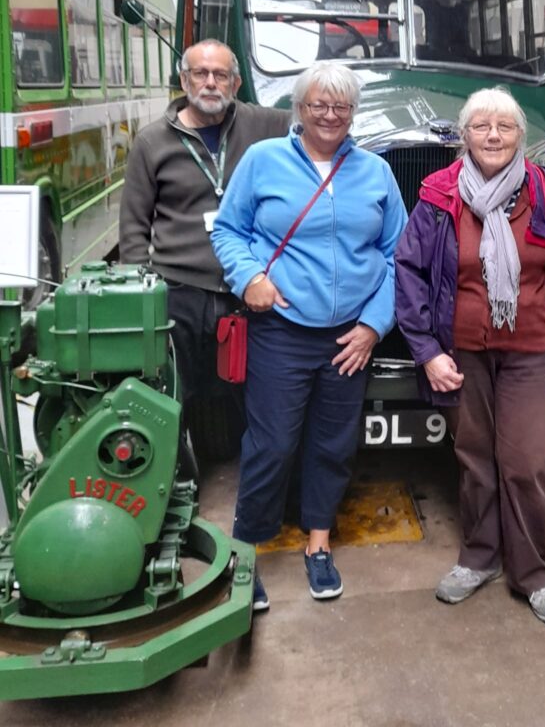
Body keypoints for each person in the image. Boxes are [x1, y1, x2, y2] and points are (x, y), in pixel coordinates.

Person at [395, 87, 545, 625]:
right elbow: (410, 271)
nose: (493, 136)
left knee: (529, 461)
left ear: (520, 135)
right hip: (463, 353)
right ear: (464, 135)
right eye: (482, 126)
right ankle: (479, 557)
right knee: (474, 459)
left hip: (534, 349)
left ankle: (532, 573)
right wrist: (426, 351)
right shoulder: (439, 193)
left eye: (505, 127)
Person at [211, 60, 407, 610]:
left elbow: (399, 255)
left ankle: (318, 543)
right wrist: (250, 278)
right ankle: (246, 551)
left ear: (353, 113)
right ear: (299, 108)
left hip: (350, 339)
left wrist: (373, 326)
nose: (330, 114)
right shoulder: (263, 160)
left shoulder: (375, 172)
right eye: (319, 104)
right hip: (282, 331)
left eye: (341, 106)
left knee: (333, 444)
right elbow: (228, 230)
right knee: (271, 445)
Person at [119, 40, 290, 464]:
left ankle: (259, 480)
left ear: (236, 82)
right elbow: (134, 228)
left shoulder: (263, 124)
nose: (210, 83)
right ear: (184, 80)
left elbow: (321, 118)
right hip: (180, 290)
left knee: (258, 396)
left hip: (246, 289)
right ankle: (179, 482)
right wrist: (141, 297)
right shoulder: (152, 142)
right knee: (174, 397)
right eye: (200, 73)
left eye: (221, 75)